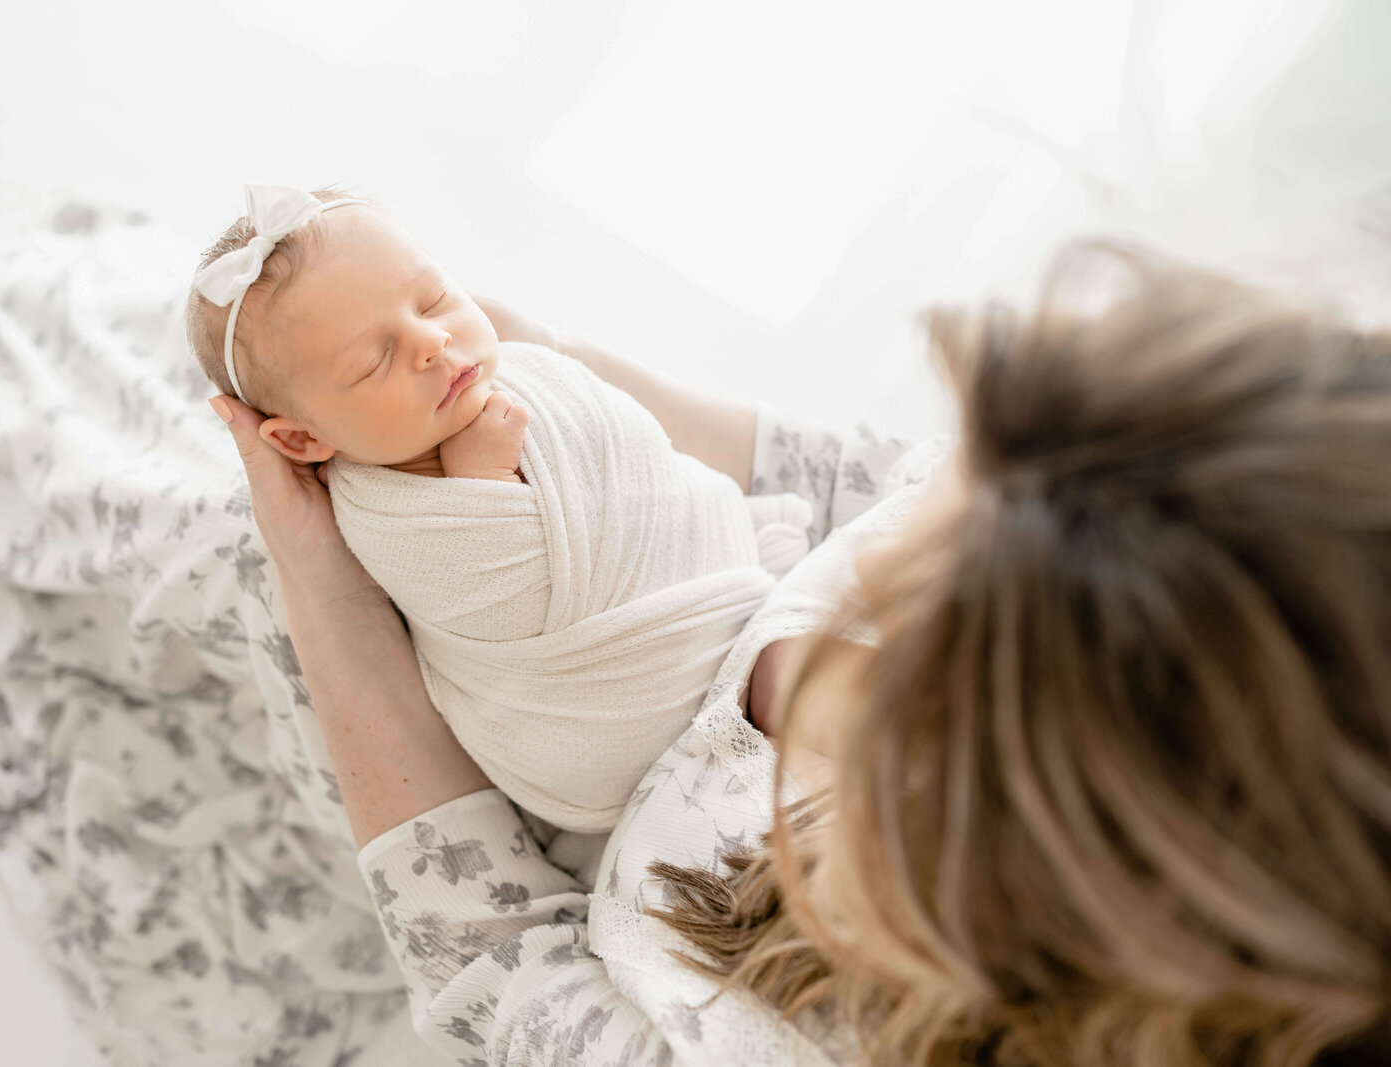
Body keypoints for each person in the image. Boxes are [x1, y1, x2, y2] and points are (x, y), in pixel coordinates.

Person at [206, 241, 1391, 1066]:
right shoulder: (1088, 527)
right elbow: (843, 481)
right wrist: (549, 374)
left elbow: (499, 972)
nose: (859, 579)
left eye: (901, 649)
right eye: (957, 472)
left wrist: (325, 590)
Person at [186, 184, 812, 840]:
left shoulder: (526, 373)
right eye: (376, 361)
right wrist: (482, 478)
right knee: (787, 678)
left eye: (433, 300)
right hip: (610, 717)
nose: (432, 341)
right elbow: (499, 610)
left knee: (804, 667)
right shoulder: (380, 515)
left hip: (707, 586)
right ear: (303, 439)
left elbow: (633, 450)